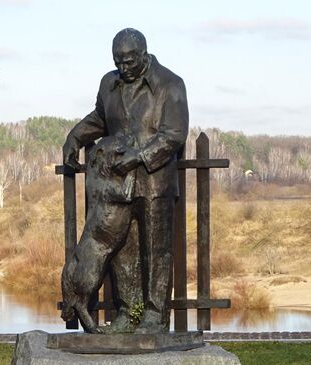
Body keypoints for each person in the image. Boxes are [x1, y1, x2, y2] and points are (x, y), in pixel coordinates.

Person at [63, 28, 188, 334]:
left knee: (155, 251)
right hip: (120, 187)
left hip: (154, 183)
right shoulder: (109, 83)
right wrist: (75, 137)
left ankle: (154, 316)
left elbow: (173, 135)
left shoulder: (169, 84)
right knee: (122, 251)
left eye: (129, 61)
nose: (123, 68)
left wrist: (138, 157)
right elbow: (100, 118)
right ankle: (128, 314)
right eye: (118, 61)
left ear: (144, 55)